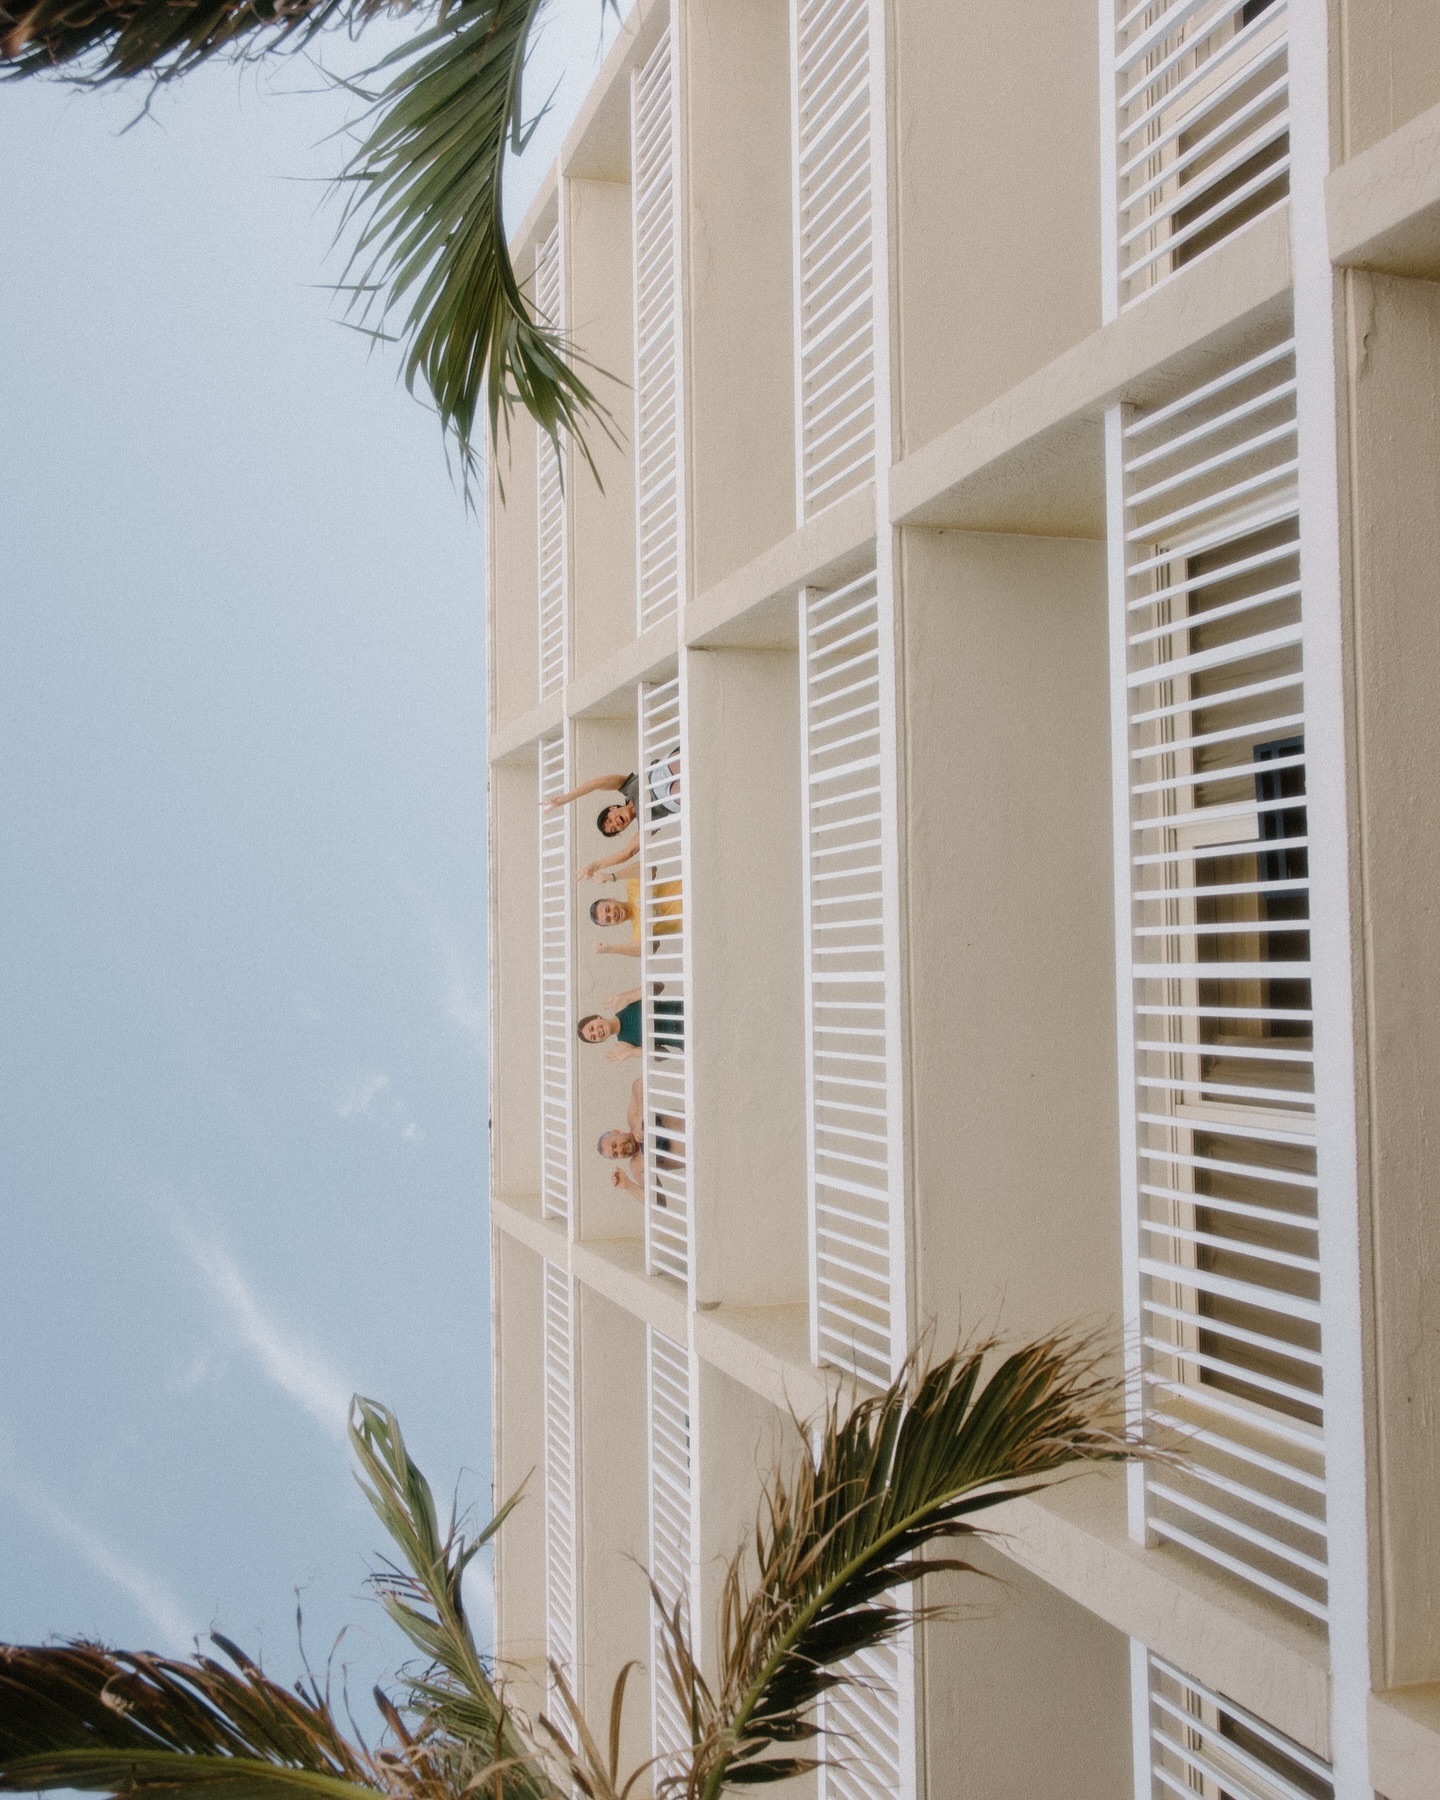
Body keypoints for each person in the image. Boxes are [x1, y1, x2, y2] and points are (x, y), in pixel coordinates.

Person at [542, 749, 681, 840]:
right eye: (615, 829)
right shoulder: (644, 824)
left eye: (610, 820)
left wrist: (564, 799)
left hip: (663, 770)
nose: (615, 823)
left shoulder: (627, 788)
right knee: (671, 796)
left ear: (612, 809)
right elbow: (629, 851)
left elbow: (595, 783)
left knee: (663, 772)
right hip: (671, 797)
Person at [598, 1079, 683, 1199]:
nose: (620, 1149)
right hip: (702, 1157)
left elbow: (640, 1082)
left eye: (614, 1144)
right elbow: (659, 1201)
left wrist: (639, 1122)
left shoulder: (633, 1118)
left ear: (617, 1132)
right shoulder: (636, 1166)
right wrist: (627, 1185)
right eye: (616, 1154)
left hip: (702, 1127)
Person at [577, 989, 684, 1061]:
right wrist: (632, 1052)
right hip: (681, 1039)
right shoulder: (624, 1046)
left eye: (592, 1028)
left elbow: (658, 986)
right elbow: (663, 1054)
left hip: (680, 1009)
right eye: (594, 1037)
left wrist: (629, 995)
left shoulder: (622, 1003)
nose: (597, 1032)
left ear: (597, 1017)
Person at [589, 874, 682, 956]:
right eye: (608, 919)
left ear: (612, 899)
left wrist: (611, 877)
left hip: (688, 887)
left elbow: (652, 869)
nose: (612, 914)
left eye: (608, 909)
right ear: (613, 925)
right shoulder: (638, 932)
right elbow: (647, 949)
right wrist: (609, 949)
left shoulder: (631, 886)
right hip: (691, 916)